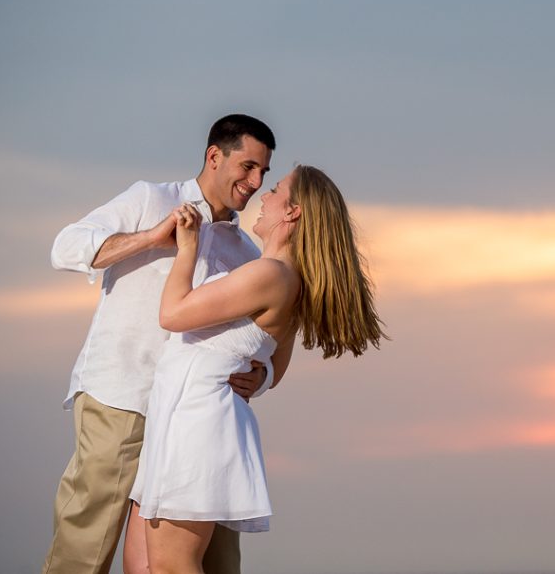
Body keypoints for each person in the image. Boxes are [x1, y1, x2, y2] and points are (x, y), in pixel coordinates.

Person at [43, 114, 285, 574]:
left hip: (199, 420)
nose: (255, 182)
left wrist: (263, 375)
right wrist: (152, 237)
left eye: (264, 173)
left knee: (215, 558)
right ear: (215, 156)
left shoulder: (248, 255)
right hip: (123, 398)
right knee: (87, 542)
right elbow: (66, 247)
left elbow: (261, 336)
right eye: (248, 167)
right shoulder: (151, 199)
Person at [123, 165, 385, 574]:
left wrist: (188, 247)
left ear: (293, 212)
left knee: (172, 566)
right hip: (178, 417)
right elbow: (274, 368)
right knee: (142, 566)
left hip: (196, 423)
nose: (264, 196)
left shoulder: (271, 275)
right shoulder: (283, 276)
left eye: (276, 190)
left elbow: (172, 314)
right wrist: (258, 378)